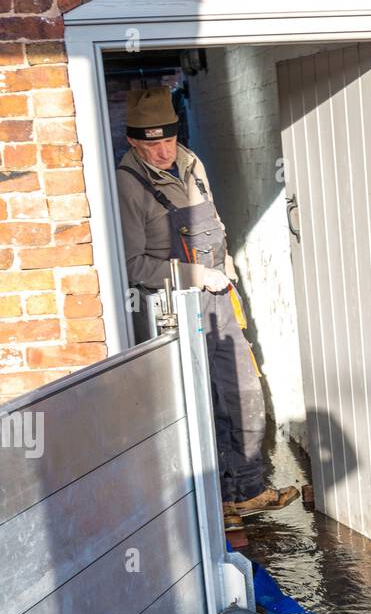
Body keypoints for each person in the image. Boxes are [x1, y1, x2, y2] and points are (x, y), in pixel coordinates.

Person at [116, 86, 295, 526]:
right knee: (202, 399)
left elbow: (213, 221)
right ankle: (215, 501)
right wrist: (195, 276)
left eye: (168, 141)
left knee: (244, 391)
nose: (162, 153)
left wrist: (226, 268)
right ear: (133, 143)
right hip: (175, 304)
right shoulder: (127, 184)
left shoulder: (192, 162)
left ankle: (248, 489)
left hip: (219, 293)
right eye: (150, 144)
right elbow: (133, 263)